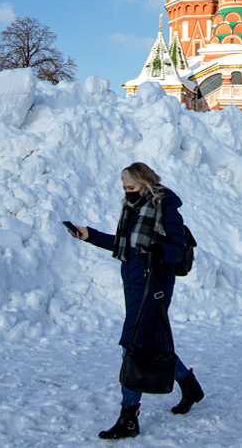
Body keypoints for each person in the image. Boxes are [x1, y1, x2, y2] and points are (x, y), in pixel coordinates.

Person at [67, 162, 204, 440]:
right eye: (124, 188)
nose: (127, 192)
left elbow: (177, 251)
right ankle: (189, 386)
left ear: (146, 183)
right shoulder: (133, 208)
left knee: (133, 345)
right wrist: (90, 235)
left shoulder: (167, 209)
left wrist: (158, 248)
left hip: (155, 285)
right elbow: (124, 244)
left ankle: (129, 418)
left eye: (131, 187)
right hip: (134, 283)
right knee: (154, 343)